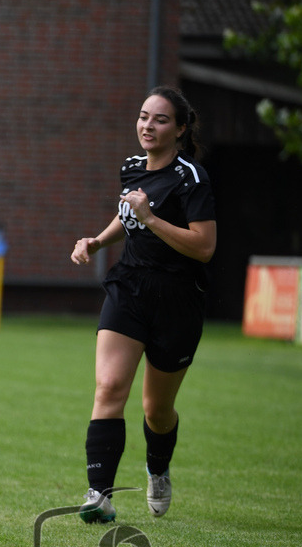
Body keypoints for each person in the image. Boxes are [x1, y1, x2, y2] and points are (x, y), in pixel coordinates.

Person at [70, 86, 216, 522]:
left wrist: (152, 218)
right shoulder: (132, 167)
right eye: (143, 116)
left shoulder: (191, 178)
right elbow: (127, 214)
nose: (148, 125)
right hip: (129, 288)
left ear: (181, 129)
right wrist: (98, 241)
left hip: (177, 301)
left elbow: (204, 247)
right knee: (109, 387)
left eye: (160, 119)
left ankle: (158, 468)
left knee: (157, 410)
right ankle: (99, 494)